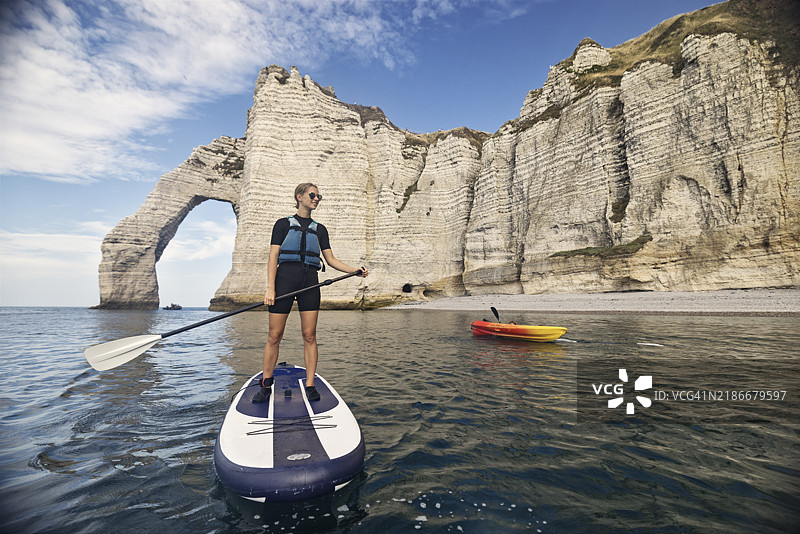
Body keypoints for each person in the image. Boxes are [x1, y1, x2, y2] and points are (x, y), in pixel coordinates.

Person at [253, 182, 368, 403]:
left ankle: (310, 384)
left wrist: (354, 270)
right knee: (274, 336)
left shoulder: (320, 229)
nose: (316, 199)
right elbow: (273, 257)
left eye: (319, 196)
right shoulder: (282, 224)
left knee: (309, 336)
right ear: (299, 197)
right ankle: (266, 384)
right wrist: (270, 288)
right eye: (312, 195)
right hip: (284, 280)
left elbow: (331, 260)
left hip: (310, 283)